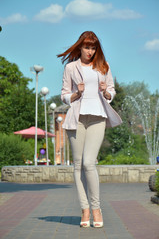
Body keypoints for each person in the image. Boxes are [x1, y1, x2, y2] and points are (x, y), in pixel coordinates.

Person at [57, 31, 122, 228]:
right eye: (87, 47)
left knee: (88, 163)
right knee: (78, 165)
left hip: (97, 117)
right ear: (80, 47)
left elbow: (112, 91)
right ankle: (84, 209)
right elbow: (63, 95)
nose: (90, 51)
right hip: (76, 118)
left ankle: (96, 208)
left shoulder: (104, 66)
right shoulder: (71, 67)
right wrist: (76, 94)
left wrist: (105, 91)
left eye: (93, 48)